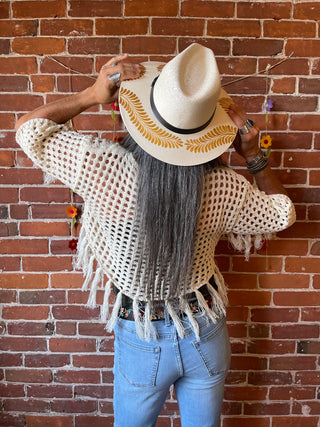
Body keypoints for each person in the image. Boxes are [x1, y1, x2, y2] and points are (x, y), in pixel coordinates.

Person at [15, 44, 295, 427]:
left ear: (144, 114)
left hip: (142, 332)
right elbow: (282, 213)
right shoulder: (224, 189)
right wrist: (253, 157)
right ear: (208, 130)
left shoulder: (104, 169)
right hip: (205, 327)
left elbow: (29, 130)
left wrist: (92, 95)